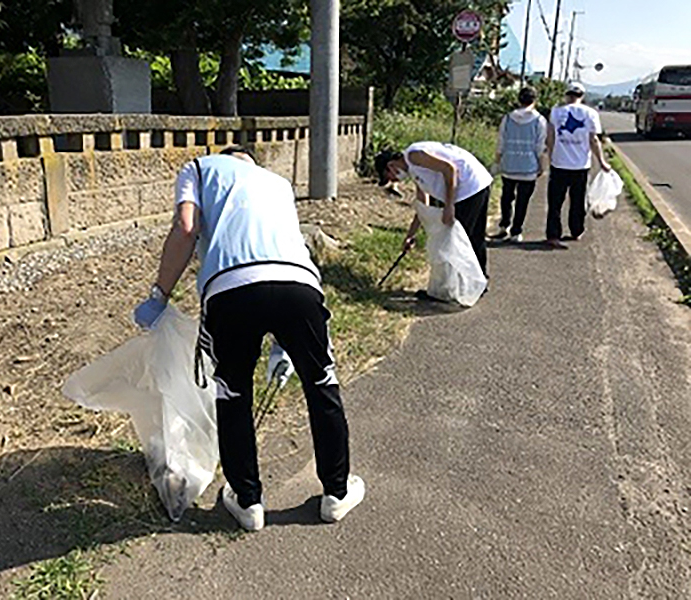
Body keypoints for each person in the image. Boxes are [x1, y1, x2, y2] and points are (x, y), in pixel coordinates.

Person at [133, 146, 364, 532]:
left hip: (230, 289)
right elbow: (281, 244)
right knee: (322, 386)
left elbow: (186, 228)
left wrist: (159, 295)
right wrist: (281, 343)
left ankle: (247, 500)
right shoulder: (277, 183)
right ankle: (336, 493)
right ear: (250, 161)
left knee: (233, 393)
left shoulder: (198, 168)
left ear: (225, 157)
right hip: (299, 286)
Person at [375, 142, 494, 282]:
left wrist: (449, 206)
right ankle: (477, 283)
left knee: (460, 240)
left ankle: (458, 286)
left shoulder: (414, 156)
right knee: (472, 237)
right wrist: (410, 235)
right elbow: (422, 206)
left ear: (390, 166)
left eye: (389, 177)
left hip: (469, 187)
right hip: (476, 184)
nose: (394, 180)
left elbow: (450, 169)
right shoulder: (414, 171)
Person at [545, 81, 612, 247]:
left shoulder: (556, 112)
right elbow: (593, 139)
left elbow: (550, 136)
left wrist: (551, 156)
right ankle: (576, 231)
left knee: (555, 202)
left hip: (559, 163)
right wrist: (602, 161)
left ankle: (553, 235)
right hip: (581, 165)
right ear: (582, 96)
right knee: (578, 200)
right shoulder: (591, 114)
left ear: (566, 95)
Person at [491, 86, 547, 243]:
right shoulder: (539, 120)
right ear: (535, 101)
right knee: (523, 201)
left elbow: (500, 143)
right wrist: (542, 166)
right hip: (528, 167)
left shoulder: (507, 118)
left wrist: (497, 162)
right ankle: (516, 231)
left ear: (518, 100)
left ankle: (503, 226)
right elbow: (539, 146)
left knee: (507, 197)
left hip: (509, 165)